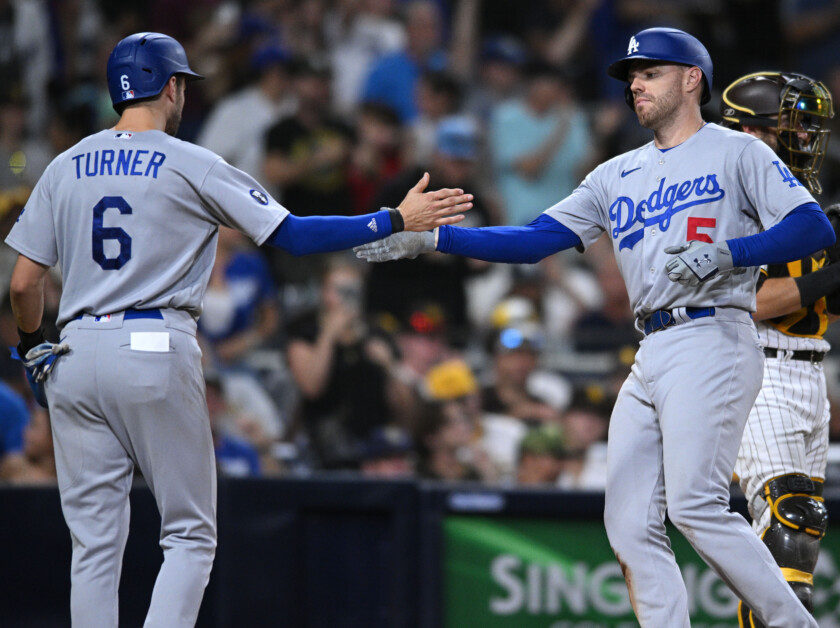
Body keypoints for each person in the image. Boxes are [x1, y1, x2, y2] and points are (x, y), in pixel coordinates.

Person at [355, 27, 835, 627]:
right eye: (631, 75)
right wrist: (433, 238)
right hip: (652, 348)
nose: (636, 83)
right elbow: (535, 241)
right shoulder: (615, 174)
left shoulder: (739, 151)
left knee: (696, 507)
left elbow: (814, 228)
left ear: (693, 80)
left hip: (714, 333)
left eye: (651, 71)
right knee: (629, 523)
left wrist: (732, 253)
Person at [4, 32, 471, 627]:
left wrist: (30, 346)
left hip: (72, 347)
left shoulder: (63, 165)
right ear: (171, 87)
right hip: (152, 340)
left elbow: (23, 284)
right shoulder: (192, 161)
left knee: (94, 544)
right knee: (190, 535)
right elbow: (293, 235)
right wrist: (394, 218)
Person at [720, 70, 837, 626]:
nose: (807, 139)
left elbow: (817, 310)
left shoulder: (799, 200)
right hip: (758, 361)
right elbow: (755, 300)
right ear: (754, 132)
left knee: (793, 548)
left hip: (810, 371)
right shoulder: (734, 197)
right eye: (795, 126)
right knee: (789, 524)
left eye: (812, 128)